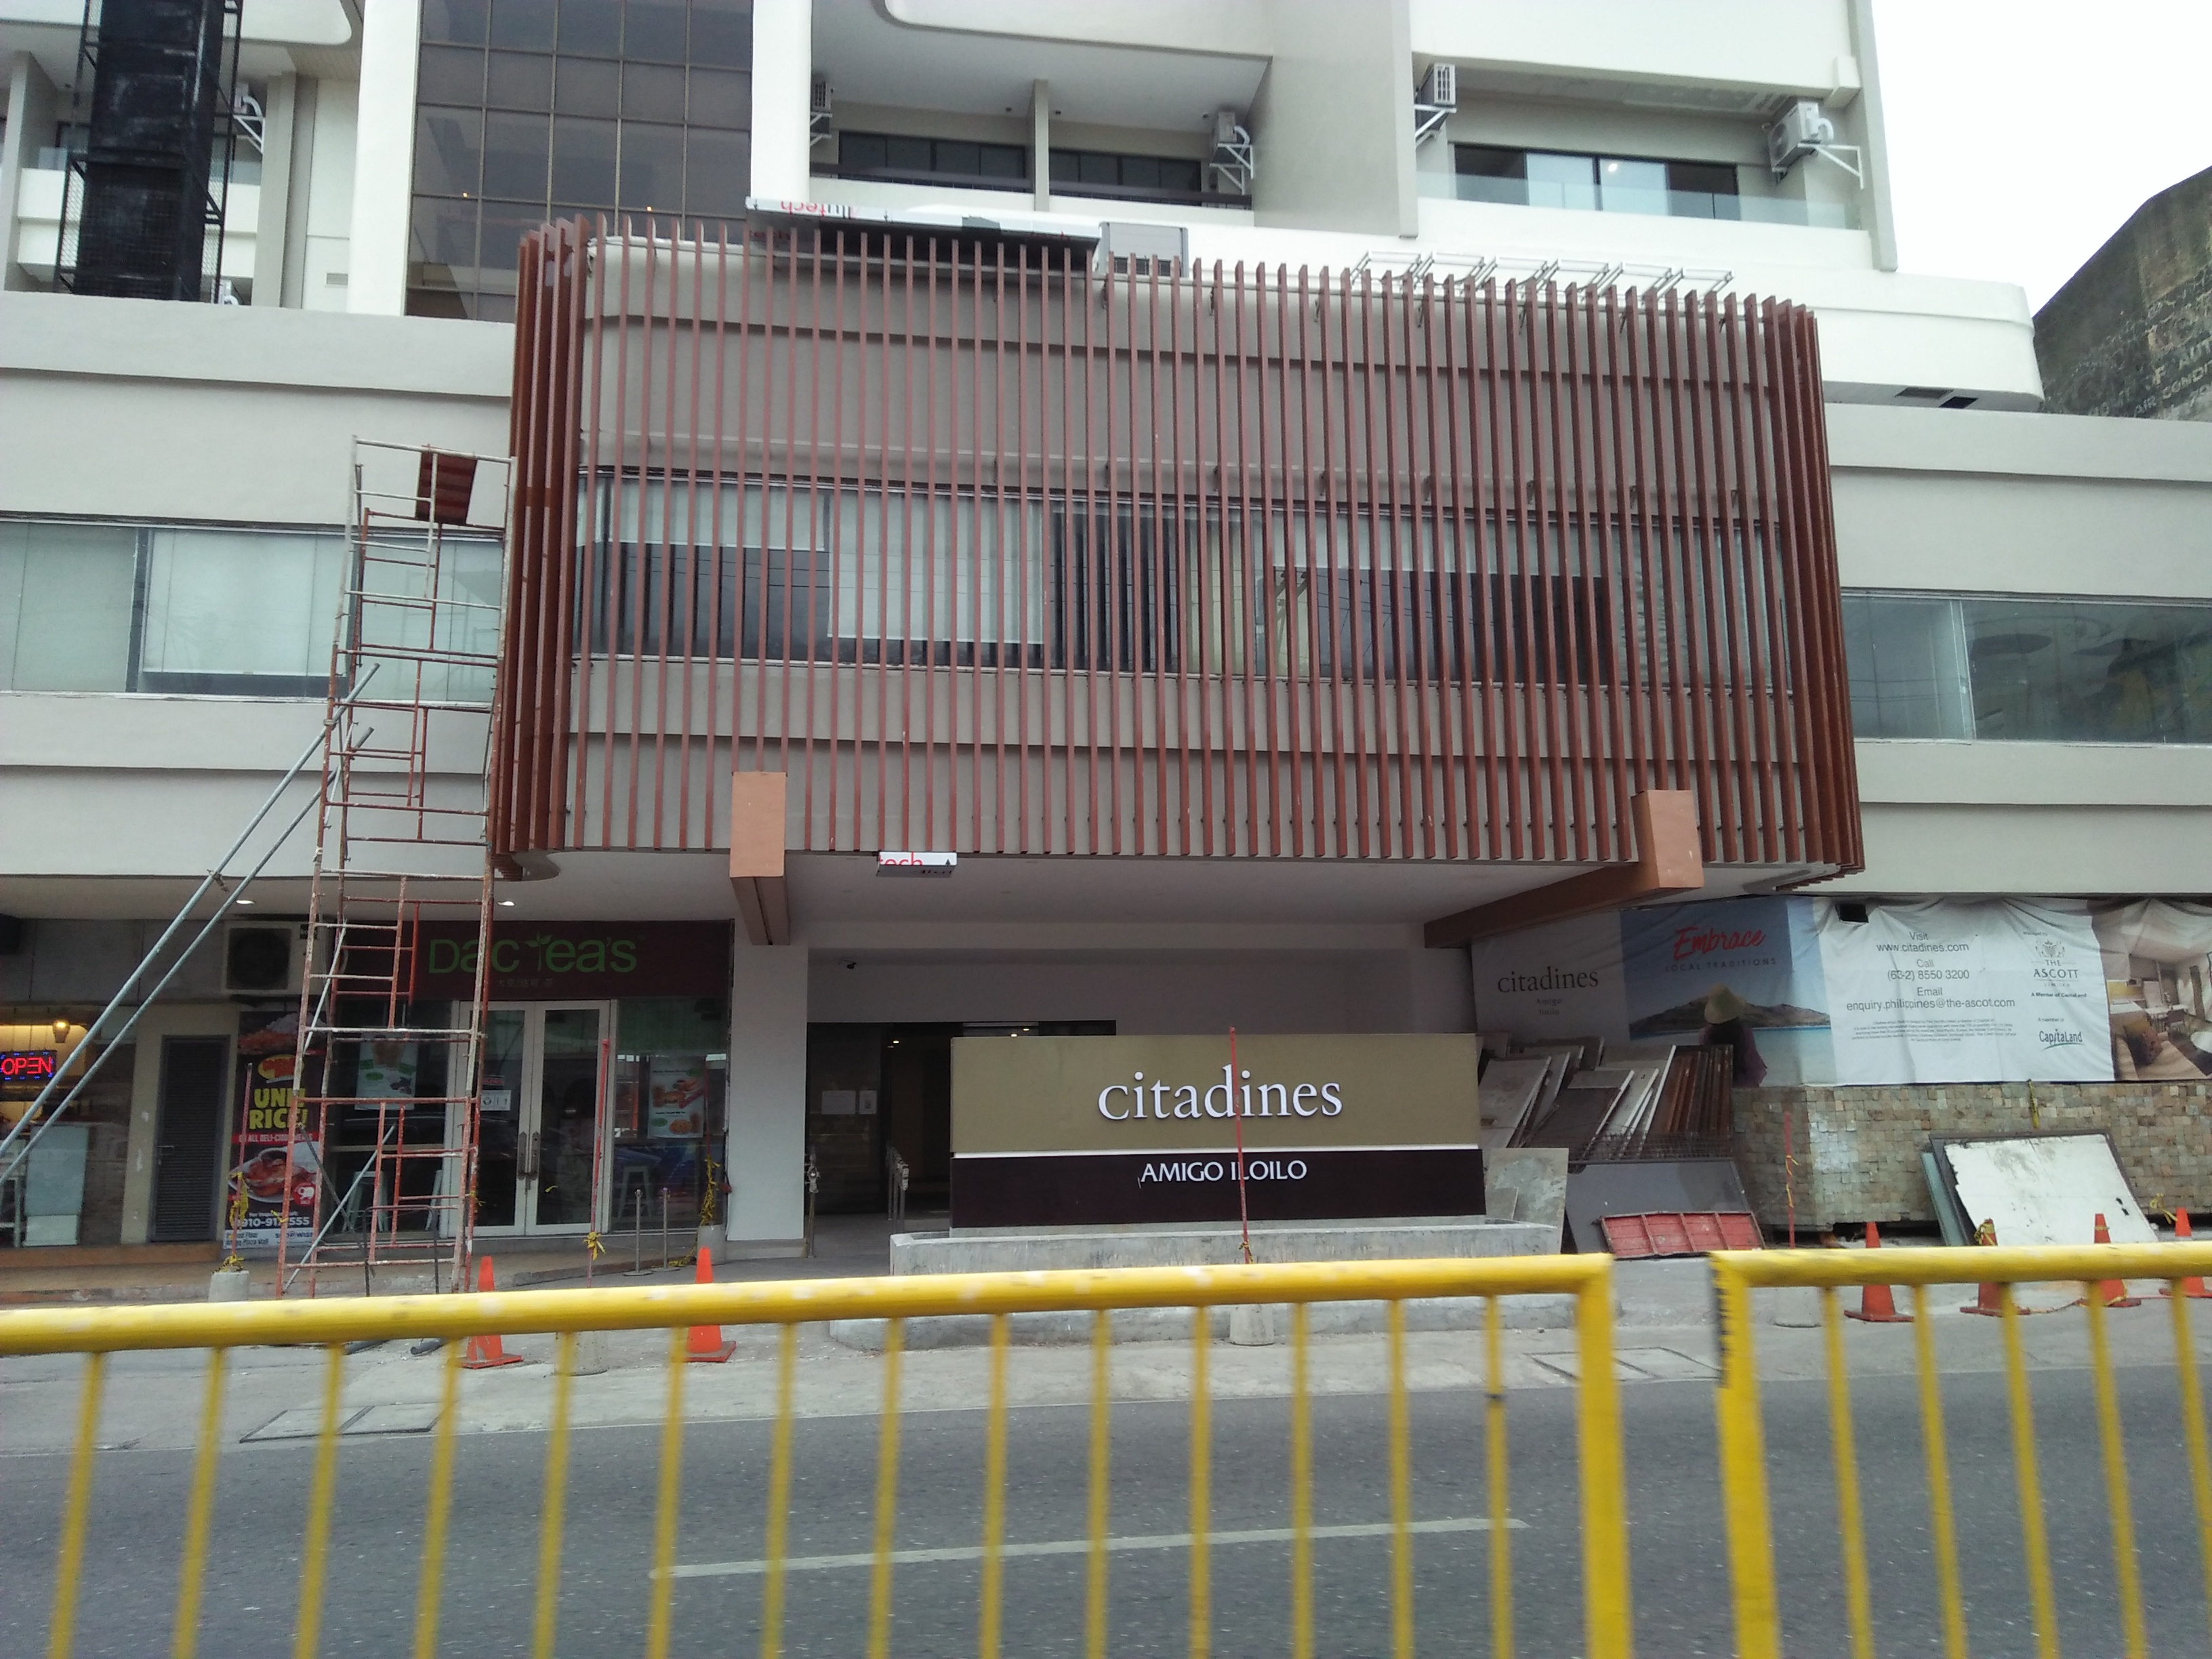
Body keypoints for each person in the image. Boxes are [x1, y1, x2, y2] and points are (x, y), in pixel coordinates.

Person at [1700, 985, 1767, 1087]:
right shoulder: (1744, 1032)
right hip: (1744, 1083)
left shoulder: (1706, 1034)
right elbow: (1752, 1063)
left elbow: (1706, 1065)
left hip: (1716, 1086)